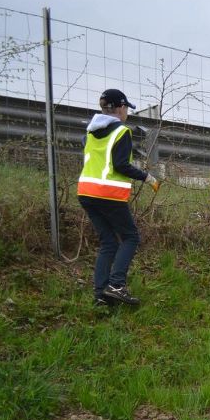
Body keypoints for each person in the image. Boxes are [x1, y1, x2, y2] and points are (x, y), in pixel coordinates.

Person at [77, 88, 159, 306]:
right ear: (120, 108)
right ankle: (116, 285)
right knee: (131, 237)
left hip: (86, 192)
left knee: (108, 243)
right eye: (126, 108)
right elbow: (120, 165)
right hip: (108, 194)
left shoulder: (90, 131)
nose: (127, 113)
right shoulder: (121, 131)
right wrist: (147, 177)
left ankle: (100, 295)